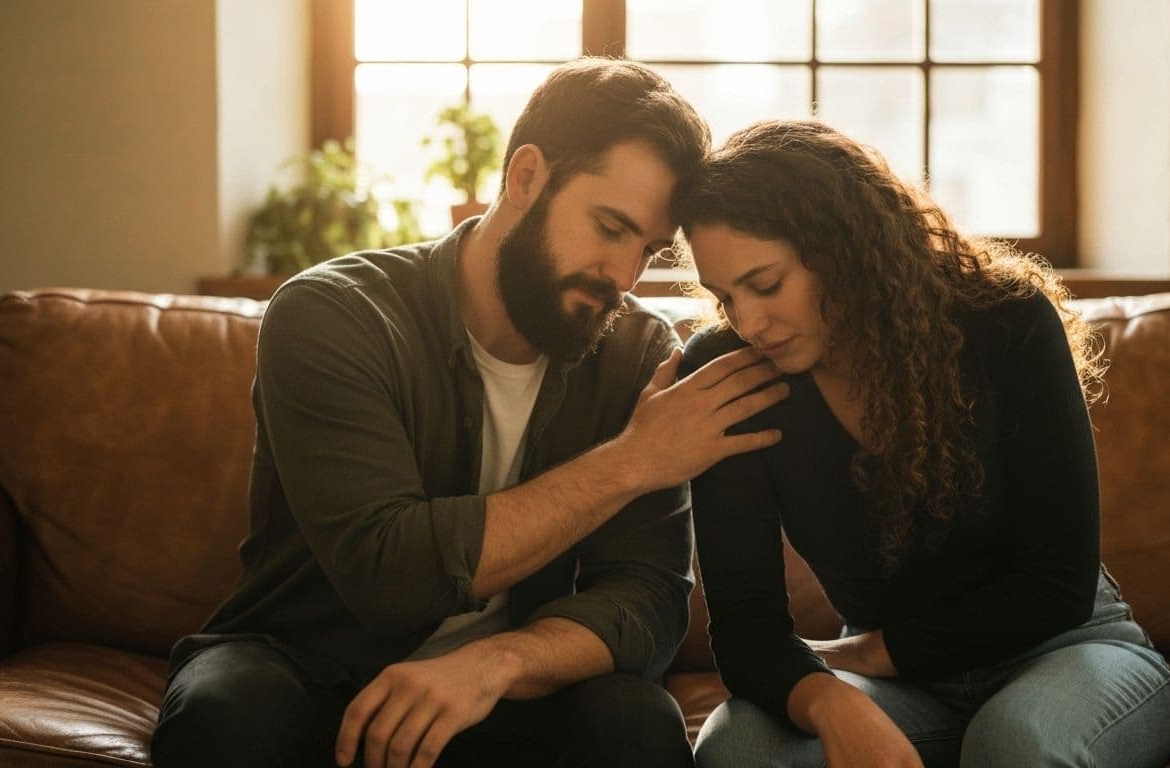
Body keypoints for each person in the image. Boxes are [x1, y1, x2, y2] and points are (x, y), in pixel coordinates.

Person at [150, 58, 788, 768]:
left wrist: (498, 663)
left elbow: (649, 604)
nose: (622, 277)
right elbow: (388, 574)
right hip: (305, 667)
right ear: (525, 178)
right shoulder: (332, 314)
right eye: (609, 228)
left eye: (645, 249)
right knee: (227, 714)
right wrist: (633, 461)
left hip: (509, 691)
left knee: (634, 721)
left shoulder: (636, 355)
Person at [675, 120, 1170, 768]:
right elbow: (747, 630)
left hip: (1065, 649)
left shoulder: (1006, 321)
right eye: (725, 299)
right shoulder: (732, 371)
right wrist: (829, 700)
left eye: (766, 285)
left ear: (841, 247)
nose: (749, 323)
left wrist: (870, 655)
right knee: (739, 748)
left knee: (1013, 745)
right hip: (899, 688)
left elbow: (1055, 587)